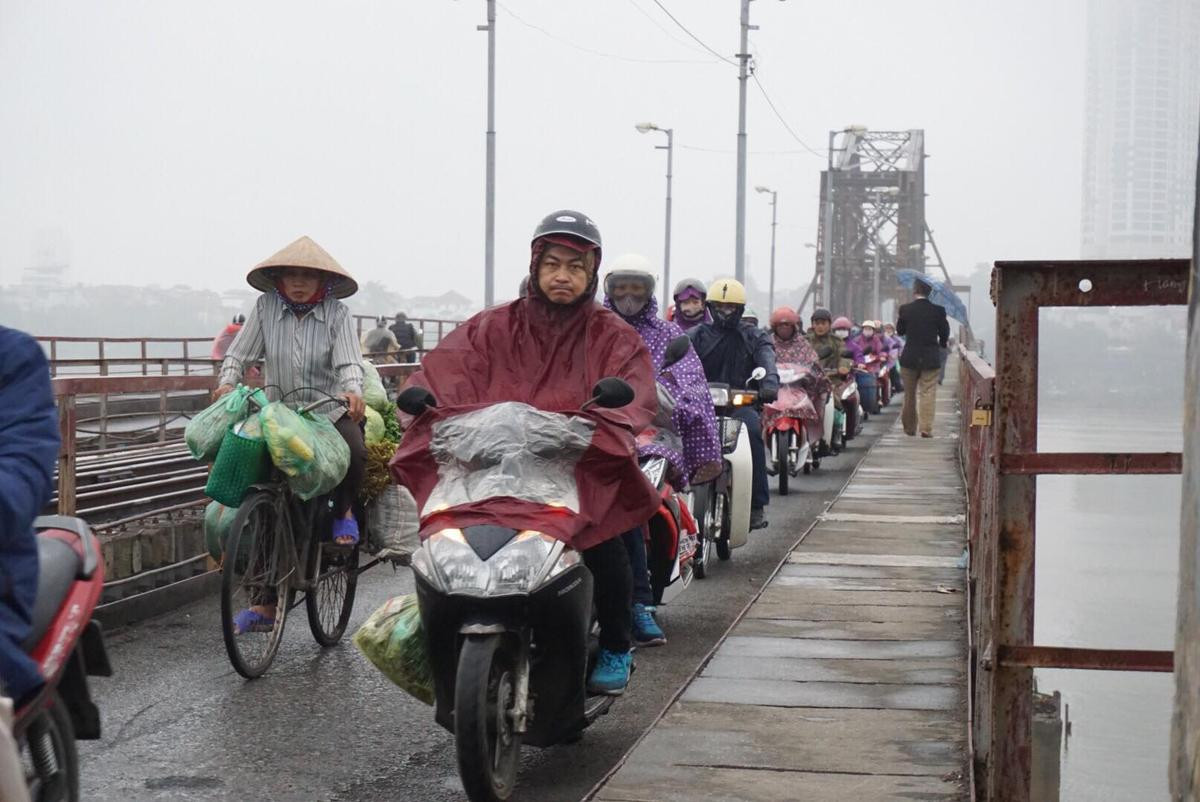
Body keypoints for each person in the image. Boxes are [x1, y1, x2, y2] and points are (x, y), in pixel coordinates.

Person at [392, 211, 659, 695]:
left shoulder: (612, 335)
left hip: (574, 468)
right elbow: (446, 373)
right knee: (445, 543)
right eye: (553, 263)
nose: (563, 275)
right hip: (493, 470)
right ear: (535, 266)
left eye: (576, 267)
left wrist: (604, 423)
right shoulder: (492, 326)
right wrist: (424, 405)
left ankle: (618, 644)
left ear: (591, 273)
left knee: (606, 543)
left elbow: (635, 392)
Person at [215, 236, 368, 633]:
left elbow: (350, 360)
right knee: (262, 497)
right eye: (291, 275)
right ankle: (263, 605)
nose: (298, 283)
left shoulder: (337, 314)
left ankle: (344, 512)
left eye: (307, 276)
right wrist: (228, 381)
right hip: (279, 412)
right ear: (278, 279)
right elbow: (240, 352)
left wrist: (352, 390)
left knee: (354, 448)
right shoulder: (266, 308)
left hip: (324, 411)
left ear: (322, 281)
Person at [603, 255, 721, 647]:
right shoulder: (590, 329)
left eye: (637, 288)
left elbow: (690, 382)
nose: (629, 296)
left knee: (629, 497)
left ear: (650, 293)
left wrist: (672, 400)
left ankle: (639, 602)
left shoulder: (668, 335)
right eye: (622, 287)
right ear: (607, 288)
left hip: (652, 431)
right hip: (592, 429)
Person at [687, 278, 778, 530]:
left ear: (740, 309)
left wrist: (769, 384)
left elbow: (767, 360)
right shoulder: (695, 336)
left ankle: (756, 505)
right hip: (700, 405)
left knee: (751, 431)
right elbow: (677, 362)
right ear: (710, 308)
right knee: (673, 433)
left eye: (731, 308)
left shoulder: (755, 336)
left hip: (741, 404)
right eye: (720, 307)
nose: (725, 313)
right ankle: (672, 498)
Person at [1, 327, 61, 711]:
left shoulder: (13, 356)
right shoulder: (262, 316)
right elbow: (233, 356)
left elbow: (24, 468)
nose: (289, 283)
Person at [767, 306, 830, 449]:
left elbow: (813, 362)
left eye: (787, 325)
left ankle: (814, 440)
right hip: (775, 389)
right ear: (774, 327)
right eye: (780, 326)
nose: (784, 329)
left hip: (799, 388)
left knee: (819, 400)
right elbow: (761, 360)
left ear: (793, 326)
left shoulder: (802, 344)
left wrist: (813, 373)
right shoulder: (768, 343)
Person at [897, 279, 950, 438]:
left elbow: (900, 331)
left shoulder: (905, 309)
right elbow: (944, 333)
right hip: (930, 358)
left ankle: (910, 428)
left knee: (909, 394)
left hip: (909, 357)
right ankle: (926, 428)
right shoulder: (938, 310)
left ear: (915, 291)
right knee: (927, 392)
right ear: (930, 293)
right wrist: (941, 343)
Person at [846, 319, 883, 416]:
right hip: (858, 366)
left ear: (873, 330)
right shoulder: (857, 340)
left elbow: (880, 351)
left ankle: (876, 400)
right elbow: (856, 353)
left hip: (873, 366)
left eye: (870, 329)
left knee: (874, 379)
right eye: (866, 328)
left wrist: (879, 356)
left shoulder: (876, 340)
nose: (867, 330)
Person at [882, 321, 904, 393]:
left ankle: (896, 386)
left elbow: (901, 346)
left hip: (893, 360)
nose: (888, 330)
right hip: (882, 359)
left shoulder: (897, 339)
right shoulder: (881, 338)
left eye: (890, 329)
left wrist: (899, 353)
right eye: (887, 328)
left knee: (895, 372)